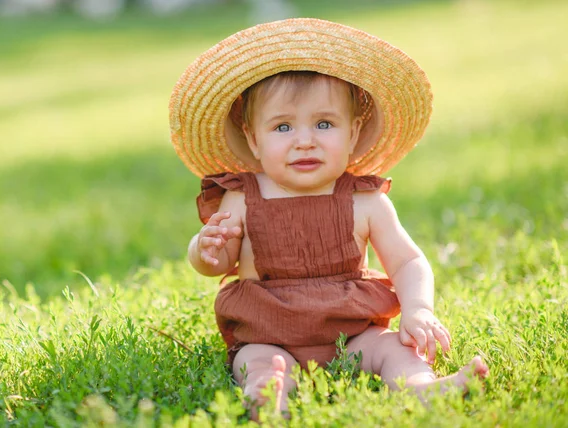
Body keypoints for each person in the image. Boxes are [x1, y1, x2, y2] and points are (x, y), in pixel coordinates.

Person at [169, 18, 489, 417]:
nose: (305, 140)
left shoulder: (365, 200)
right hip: (269, 334)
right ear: (253, 138)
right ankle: (269, 392)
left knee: (391, 349)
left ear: (353, 133)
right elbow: (216, 263)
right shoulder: (240, 196)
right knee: (257, 360)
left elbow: (408, 260)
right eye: (283, 126)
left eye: (324, 124)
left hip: (353, 336)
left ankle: (422, 388)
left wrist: (418, 309)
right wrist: (206, 248)